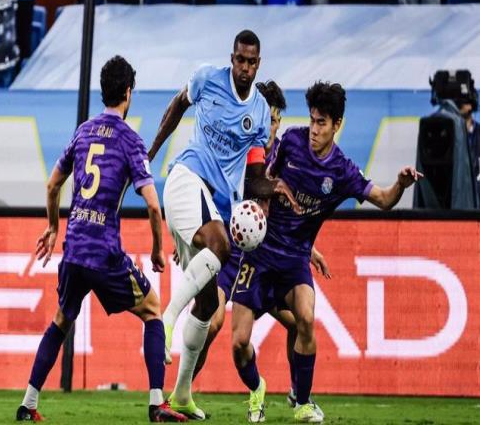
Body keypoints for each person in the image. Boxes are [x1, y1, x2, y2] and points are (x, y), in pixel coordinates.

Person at [231, 81, 423, 423]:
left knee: (306, 319)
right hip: (260, 254)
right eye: (312, 120)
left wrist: (400, 184)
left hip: (294, 260)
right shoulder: (291, 141)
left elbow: (383, 200)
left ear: (337, 125)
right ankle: (257, 386)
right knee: (239, 342)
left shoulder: (342, 171)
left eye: (322, 123)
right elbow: (263, 180)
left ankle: (302, 401)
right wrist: (258, 206)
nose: (314, 129)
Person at [15, 56, 186, 423]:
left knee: (61, 320)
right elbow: (152, 205)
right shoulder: (130, 140)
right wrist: (158, 249)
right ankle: (157, 403)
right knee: (153, 310)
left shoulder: (83, 132)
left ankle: (28, 403)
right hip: (105, 252)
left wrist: (53, 227)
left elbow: (53, 185)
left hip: (74, 248)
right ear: (128, 92)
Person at [147, 30, 299, 419]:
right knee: (220, 249)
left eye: (251, 62)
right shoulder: (206, 79)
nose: (244, 68)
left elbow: (254, 178)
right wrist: (150, 154)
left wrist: (275, 187)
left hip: (217, 216)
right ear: (232, 58)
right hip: (189, 183)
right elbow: (176, 107)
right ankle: (166, 321)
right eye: (239, 60)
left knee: (208, 307)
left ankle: (181, 393)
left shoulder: (261, 116)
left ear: (258, 64)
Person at [191, 80, 332, 410]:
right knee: (211, 325)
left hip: (267, 261)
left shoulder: (284, 155)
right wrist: (193, 231)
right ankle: (182, 393)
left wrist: (309, 250)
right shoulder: (237, 151)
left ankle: (297, 392)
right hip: (232, 254)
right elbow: (210, 192)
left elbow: (287, 214)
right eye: (267, 119)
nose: (272, 127)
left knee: (299, 324)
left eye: (276, 120)